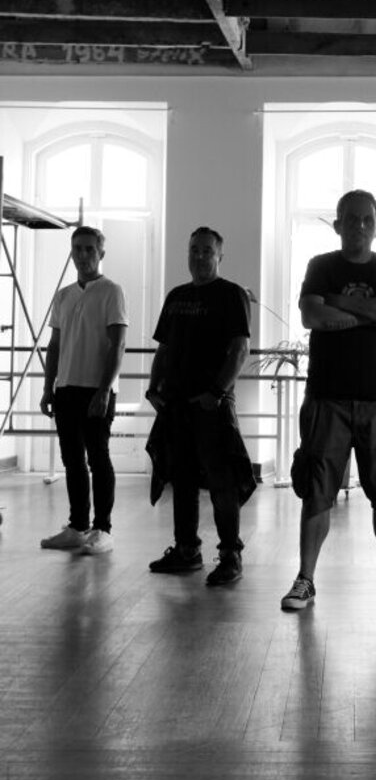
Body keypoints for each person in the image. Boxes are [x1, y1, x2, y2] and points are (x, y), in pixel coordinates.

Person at [281, 189, 376, 613]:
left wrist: (340, 304)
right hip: (327, 397)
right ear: (337, 224)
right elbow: (312, 315)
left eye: (367, 219)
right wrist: (369, 311)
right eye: (351, 218)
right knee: (317, 491)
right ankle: (305, 580)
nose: (359, 225)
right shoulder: (320, 265)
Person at [145, 227, 255, 587]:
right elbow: (164, 348)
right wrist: (153, 388)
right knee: (183, 479)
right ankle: (186, 549)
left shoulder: (231, 294)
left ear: (220, 256)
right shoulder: (176, 296)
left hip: (212, 405)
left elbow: (240, 349)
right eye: (194, 249)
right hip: (176, 404)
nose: (200, 256)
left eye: (207, 250)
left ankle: (230, 554)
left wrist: (216, 393)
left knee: (222, 483)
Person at [40, 226, 128, 554]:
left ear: (101, 253)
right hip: (66, 388)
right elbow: (55, 345)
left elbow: (118, 344)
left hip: (96, 389)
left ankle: (102, 529)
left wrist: (104, 390)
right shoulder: (63, 295)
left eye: (90, 248)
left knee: (98, 457)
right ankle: (78, 526)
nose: (83, 254)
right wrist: (48, 388)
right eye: (77, 248)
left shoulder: (112, 291)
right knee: (72, 459)